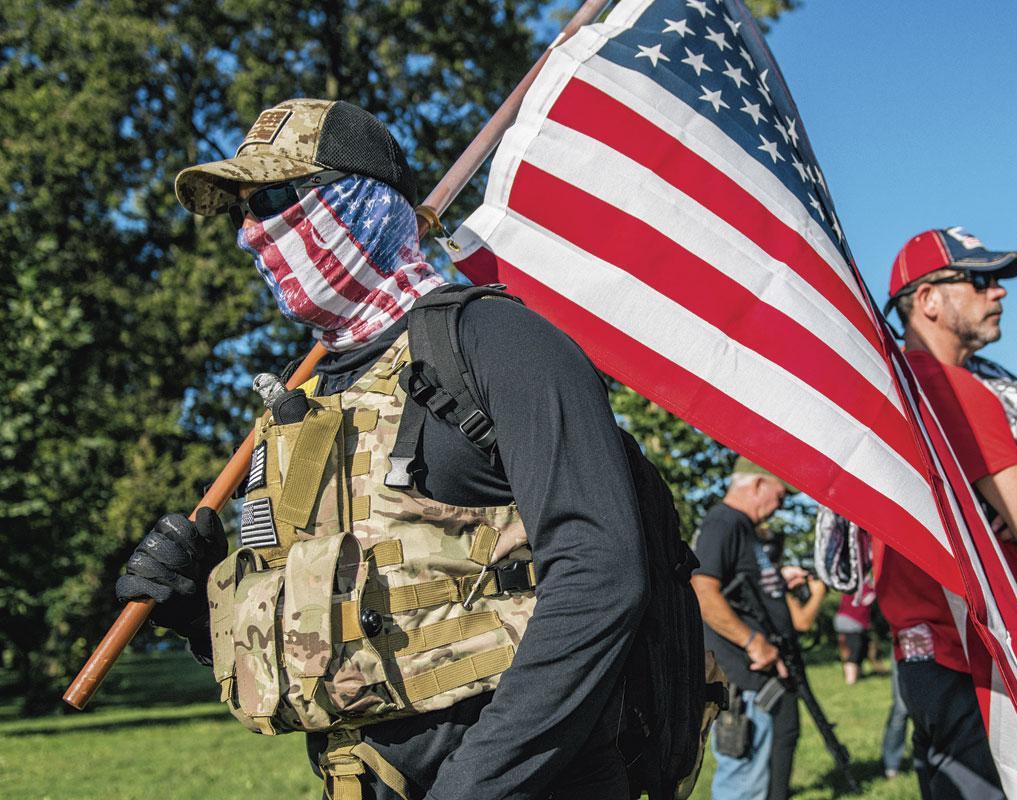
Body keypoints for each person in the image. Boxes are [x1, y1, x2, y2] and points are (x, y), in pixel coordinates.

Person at [115, 99, 651, 800]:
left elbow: (601, 578)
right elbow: (318, 633)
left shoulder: (498, 344)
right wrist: (198, 608)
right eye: (240, 212)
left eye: (272, 199)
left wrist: (473, 788)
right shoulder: (304, 406)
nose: (249, 235)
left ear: (361, 203)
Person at [875, 227, 1017, 800]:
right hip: (978, 669)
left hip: (928, 657)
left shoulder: (896, 388)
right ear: (928, 300)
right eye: (980, 279)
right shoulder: (951, 388)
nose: (999, 293)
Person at [690, 458, 824, 800]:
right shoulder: (724, 523)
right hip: (743, 677)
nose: (781, 504)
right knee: (744, 782)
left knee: (760, 776)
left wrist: (778, 581)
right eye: (780, 494)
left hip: (760, 677)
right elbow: (703, 590)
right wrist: (753, 642)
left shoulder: (744, 528)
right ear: (758, 484)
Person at [833, 592, 872, 684]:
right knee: (855, 650)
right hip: (852, 621)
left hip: (845, 619)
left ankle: (856, 674)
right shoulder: (865, 586)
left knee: (858, 648)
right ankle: (851, 680)